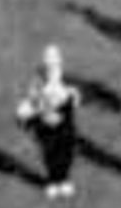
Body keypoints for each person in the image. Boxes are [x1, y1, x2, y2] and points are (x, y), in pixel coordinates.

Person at [16, 44, 77, 196]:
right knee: (50, 153)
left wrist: (69, 97)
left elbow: (68, 96)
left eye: (55, 64)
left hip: (63, 122)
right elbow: (33, 102)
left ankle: (64, 179)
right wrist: (35, 110)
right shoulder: (38, 85)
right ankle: (53, 180)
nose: (52, 68)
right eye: (49, 65)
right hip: (47, 126)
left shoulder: (61, 80)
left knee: (66, 152)